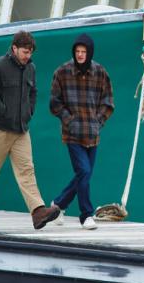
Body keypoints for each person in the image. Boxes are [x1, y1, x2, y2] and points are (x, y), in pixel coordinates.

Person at [0, 30, 60, 229]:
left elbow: (33, 92)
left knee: (27, 171)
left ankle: (38, 212)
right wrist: (1, 109)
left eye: (30, 53)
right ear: (14, 48)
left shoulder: (31, 68)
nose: (28, 56)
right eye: (25, 52)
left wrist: (29, 111)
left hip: (21, 130)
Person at [49, 34, 114, 230]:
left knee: (83, 175)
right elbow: (54, 103)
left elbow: (108, 102)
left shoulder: (100, 72)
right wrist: (70, 121)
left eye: (83, 51)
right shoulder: (62, 72)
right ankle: (86, 215)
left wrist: (98, 121)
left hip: (92, 134)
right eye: (77, 51)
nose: (80, 55)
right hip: (72, 134)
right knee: (84, 172)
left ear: (89, 52)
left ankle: (58, 205)